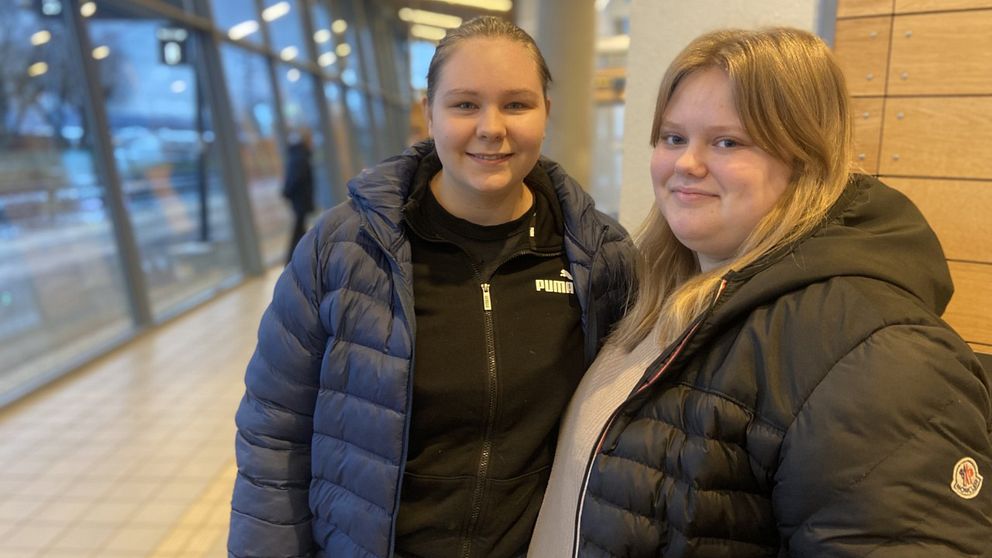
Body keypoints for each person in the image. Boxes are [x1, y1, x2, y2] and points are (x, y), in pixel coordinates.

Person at [529, 27, 992, 557]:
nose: (686, 164)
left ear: (806, 159)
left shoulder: (875, 353)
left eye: (728, 142)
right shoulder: (662, 297)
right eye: (674, 138)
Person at [228, 16, 635, 558]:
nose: (491, 127)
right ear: (429, 112)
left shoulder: (599, 255)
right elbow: (274, 432)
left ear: (546, 113)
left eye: (516, 104)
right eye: (465, 104)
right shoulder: (344, 248)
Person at [281, 127, 315, 265]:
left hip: (300, 199)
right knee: (298, 228)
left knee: (300, 228)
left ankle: (297, 256)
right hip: (300, 199)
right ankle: (292, 258)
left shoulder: (299, 154)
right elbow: (296, 179)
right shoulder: (301, 156)